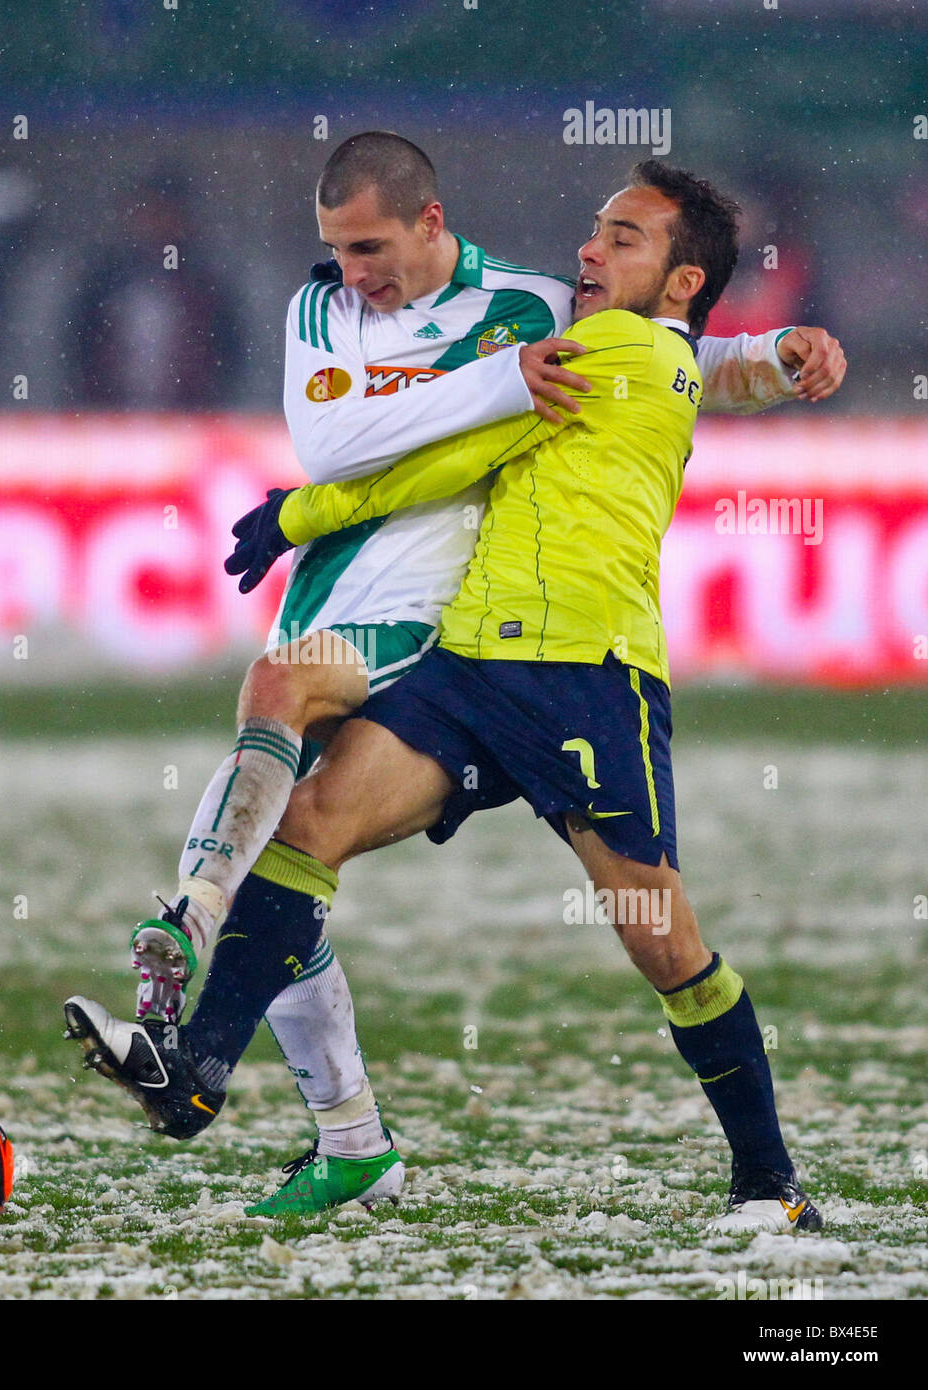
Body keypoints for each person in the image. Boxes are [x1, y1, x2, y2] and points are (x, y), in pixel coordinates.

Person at [67, 138, 846, 1221]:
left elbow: (452, 460)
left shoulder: (620, 351)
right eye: (595, 226)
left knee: (663, 942)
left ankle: (770, 1181)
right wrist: (778, 354)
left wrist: (297, 512)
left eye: (622, 236)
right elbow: (511, 426)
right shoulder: (577, 337)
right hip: (471, 664)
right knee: (308, 826)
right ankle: (194, 1070)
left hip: (588, 678)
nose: (588, 245)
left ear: (678, 282)